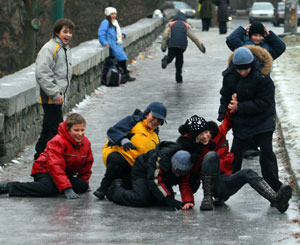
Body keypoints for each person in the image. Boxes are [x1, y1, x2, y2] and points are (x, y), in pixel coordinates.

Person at [177, 110, 292, 213]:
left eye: (206, 132)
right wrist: (187, 200)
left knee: (248, 172)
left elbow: (227, 120)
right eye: (200, 135)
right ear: (194, 138)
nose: (205, 136)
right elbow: (184, 180)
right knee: (211, 155)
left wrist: (236, 103)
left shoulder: (217, 134)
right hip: (211, 186)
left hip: (225, 181)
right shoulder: (190, 153)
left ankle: (276, 200)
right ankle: (207, 198)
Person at [219, 46, 285, 195]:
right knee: (235, 154)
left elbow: (265, 102)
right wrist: (223, 112)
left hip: (263, 119)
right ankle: (225, 189)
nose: (242, 73)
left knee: (267, 153)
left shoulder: (262, 76)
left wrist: (239, 106)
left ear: (252, 65)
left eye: (246, 69)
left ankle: (277, 189)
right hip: (242, 121)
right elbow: (225, 95)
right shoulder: (230, 75)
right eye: (239, 70)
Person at [225, 22, 286, 159]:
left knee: (259, 112)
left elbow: (281, 47)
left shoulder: (267, 48)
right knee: (246, 114)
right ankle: (247, 145)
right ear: (250, 35)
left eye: (260, 35)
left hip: (262, 86)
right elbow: (230, 40)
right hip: (244, 85)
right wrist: (242, 29)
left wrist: (269, 34)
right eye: (255, 35)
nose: (257, 38)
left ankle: (253, 144)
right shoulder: (243, 46)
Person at [0, 113, 94, 199]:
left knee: (82, 185)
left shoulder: (86, 143)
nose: (80, 134)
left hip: (64, 174)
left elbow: (87, 165)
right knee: (47, 189)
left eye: (82, 130)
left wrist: (83, 182)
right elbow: (55, 166)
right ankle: (9, 186)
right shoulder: (57, 141)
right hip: (44, 170)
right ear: (68, 130)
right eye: (76, 130)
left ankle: (58, 185)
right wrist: (66, 188)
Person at [93, 102, 167, 200]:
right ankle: (103, 187)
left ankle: (115, 187)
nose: (155, 121)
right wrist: (123, 140)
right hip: (120, 157)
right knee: (116, 160)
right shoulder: (133, 121)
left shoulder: (155, 136)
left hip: (135, 167)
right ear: (147, 113)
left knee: (138, 190)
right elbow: (113, 130)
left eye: (159, 120)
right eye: (154, 117)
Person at [106, 142, 193, 210]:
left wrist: (187, 201)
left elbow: (184, 182)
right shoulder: (160, 159)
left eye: (181, 174)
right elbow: (155, 180)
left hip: (158, 175)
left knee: (161, 200)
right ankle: (114, 189)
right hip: (142, 170)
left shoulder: (184, 163)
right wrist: (168, 199)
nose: (178, 175)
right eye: (176, 171)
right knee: (141, 198)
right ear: (171, 163)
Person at [34, 18, 75, 160]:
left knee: (48, 129)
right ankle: (48, 159)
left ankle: (40, 157)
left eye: (70, 32)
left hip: (58, 96)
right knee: (54, 130)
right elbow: (42, 73)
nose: (68, 35)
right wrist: (55, 93)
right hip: (51, 96)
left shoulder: (65, 48)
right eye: (65, 32)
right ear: (57, 32)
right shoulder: (50, 48)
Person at [161, 11, 206, 83]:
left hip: (172, 45)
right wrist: (202, 48)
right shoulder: (186, 26)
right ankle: (179, 78)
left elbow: (165, 36)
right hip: (181, 46)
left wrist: (163, 47)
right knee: (179, 61)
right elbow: (194, 38)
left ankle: (166, 59)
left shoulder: (171, 24)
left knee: (170, 57)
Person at [98, 7, 135, 82]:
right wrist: (105, 43)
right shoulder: (105, 22)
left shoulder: (114, 22)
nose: (114, 15)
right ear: (108, 15)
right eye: (112, 14)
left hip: (117, 45)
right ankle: (125, 76)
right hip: (112, 45)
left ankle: (124, 76)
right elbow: (101, 33)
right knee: (121, 59)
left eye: (115, 14)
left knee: (122, 60)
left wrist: (122, 34)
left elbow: (117, 32)